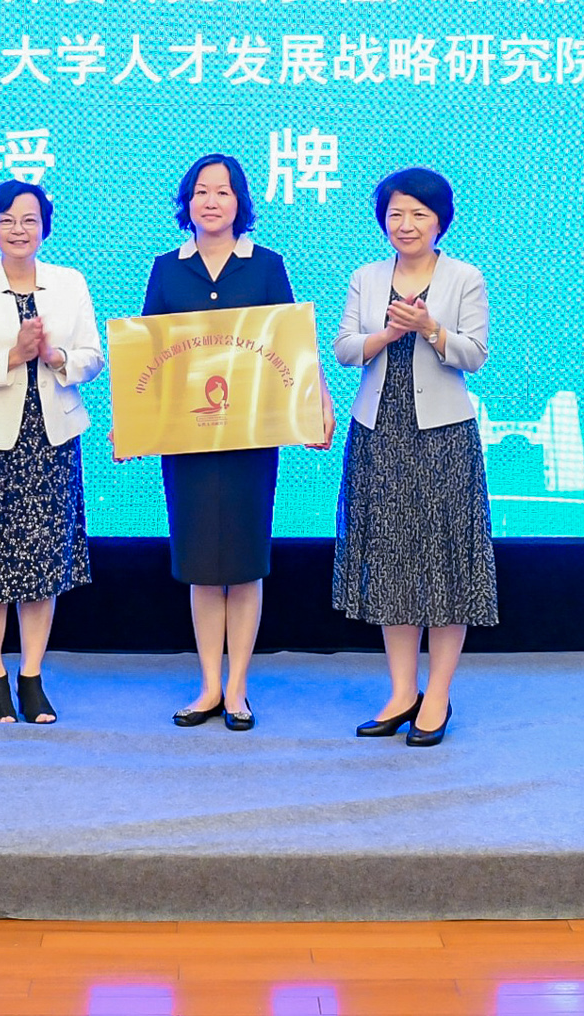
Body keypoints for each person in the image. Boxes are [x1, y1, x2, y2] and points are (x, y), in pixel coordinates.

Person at [139, 153, 334, 732]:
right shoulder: (167, 269)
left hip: (252, 438)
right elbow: (145, 355)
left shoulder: (266, 265)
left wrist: (317, 406)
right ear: (188, 202)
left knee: (245, 564)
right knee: (201, 565)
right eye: (201, 191)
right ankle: (207, 685)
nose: (211, 201)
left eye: (223, 191)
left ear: (239, 202)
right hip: (188, 440)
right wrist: (135, 423)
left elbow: (296, 346)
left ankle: (238, 689)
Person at [331, 168, 496, 747]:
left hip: (444, 438)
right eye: (396, 214)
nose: (406, 224)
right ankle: (403, 693)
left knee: (447, 565)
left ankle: (438, 696)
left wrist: (429, 327)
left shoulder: (464, 277)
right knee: (392, 564)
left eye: (419, 214)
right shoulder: (367, 277)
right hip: (379, 433)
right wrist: (386, 334)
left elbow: (475, 354)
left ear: (440, 221)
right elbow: (345, 348)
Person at [0, 180, 105, 725]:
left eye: (30, 219)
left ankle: (32, 676)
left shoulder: (69, 283)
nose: (19, 229)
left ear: (45, 228)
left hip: (52, 439)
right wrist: (13, 355)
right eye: (7, 220)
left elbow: (93, 357)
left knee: (43, 563)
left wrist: (57, 356)